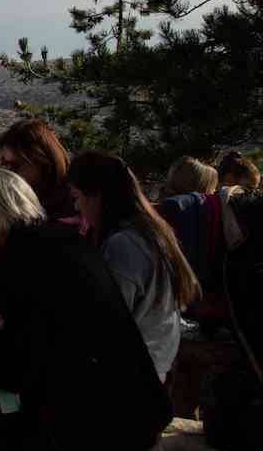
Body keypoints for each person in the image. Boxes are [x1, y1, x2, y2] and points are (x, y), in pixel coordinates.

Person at [0, 167, 172, 451]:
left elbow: (8, 370)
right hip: (134, 410)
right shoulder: (64, 243)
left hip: (91, 427)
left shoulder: (20, 264)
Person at [67, 151, 200, 379]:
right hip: (150, 369)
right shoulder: (150, 232)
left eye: (77, 197)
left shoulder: (123, 245)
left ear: (97, 195)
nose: (77, 207)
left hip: (130, 378)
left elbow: (107, 321)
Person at [0, 118, 75, 223]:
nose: (10, 175)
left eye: (15, 166)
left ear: (42, 160)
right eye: (5, 166)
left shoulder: (75, 208)